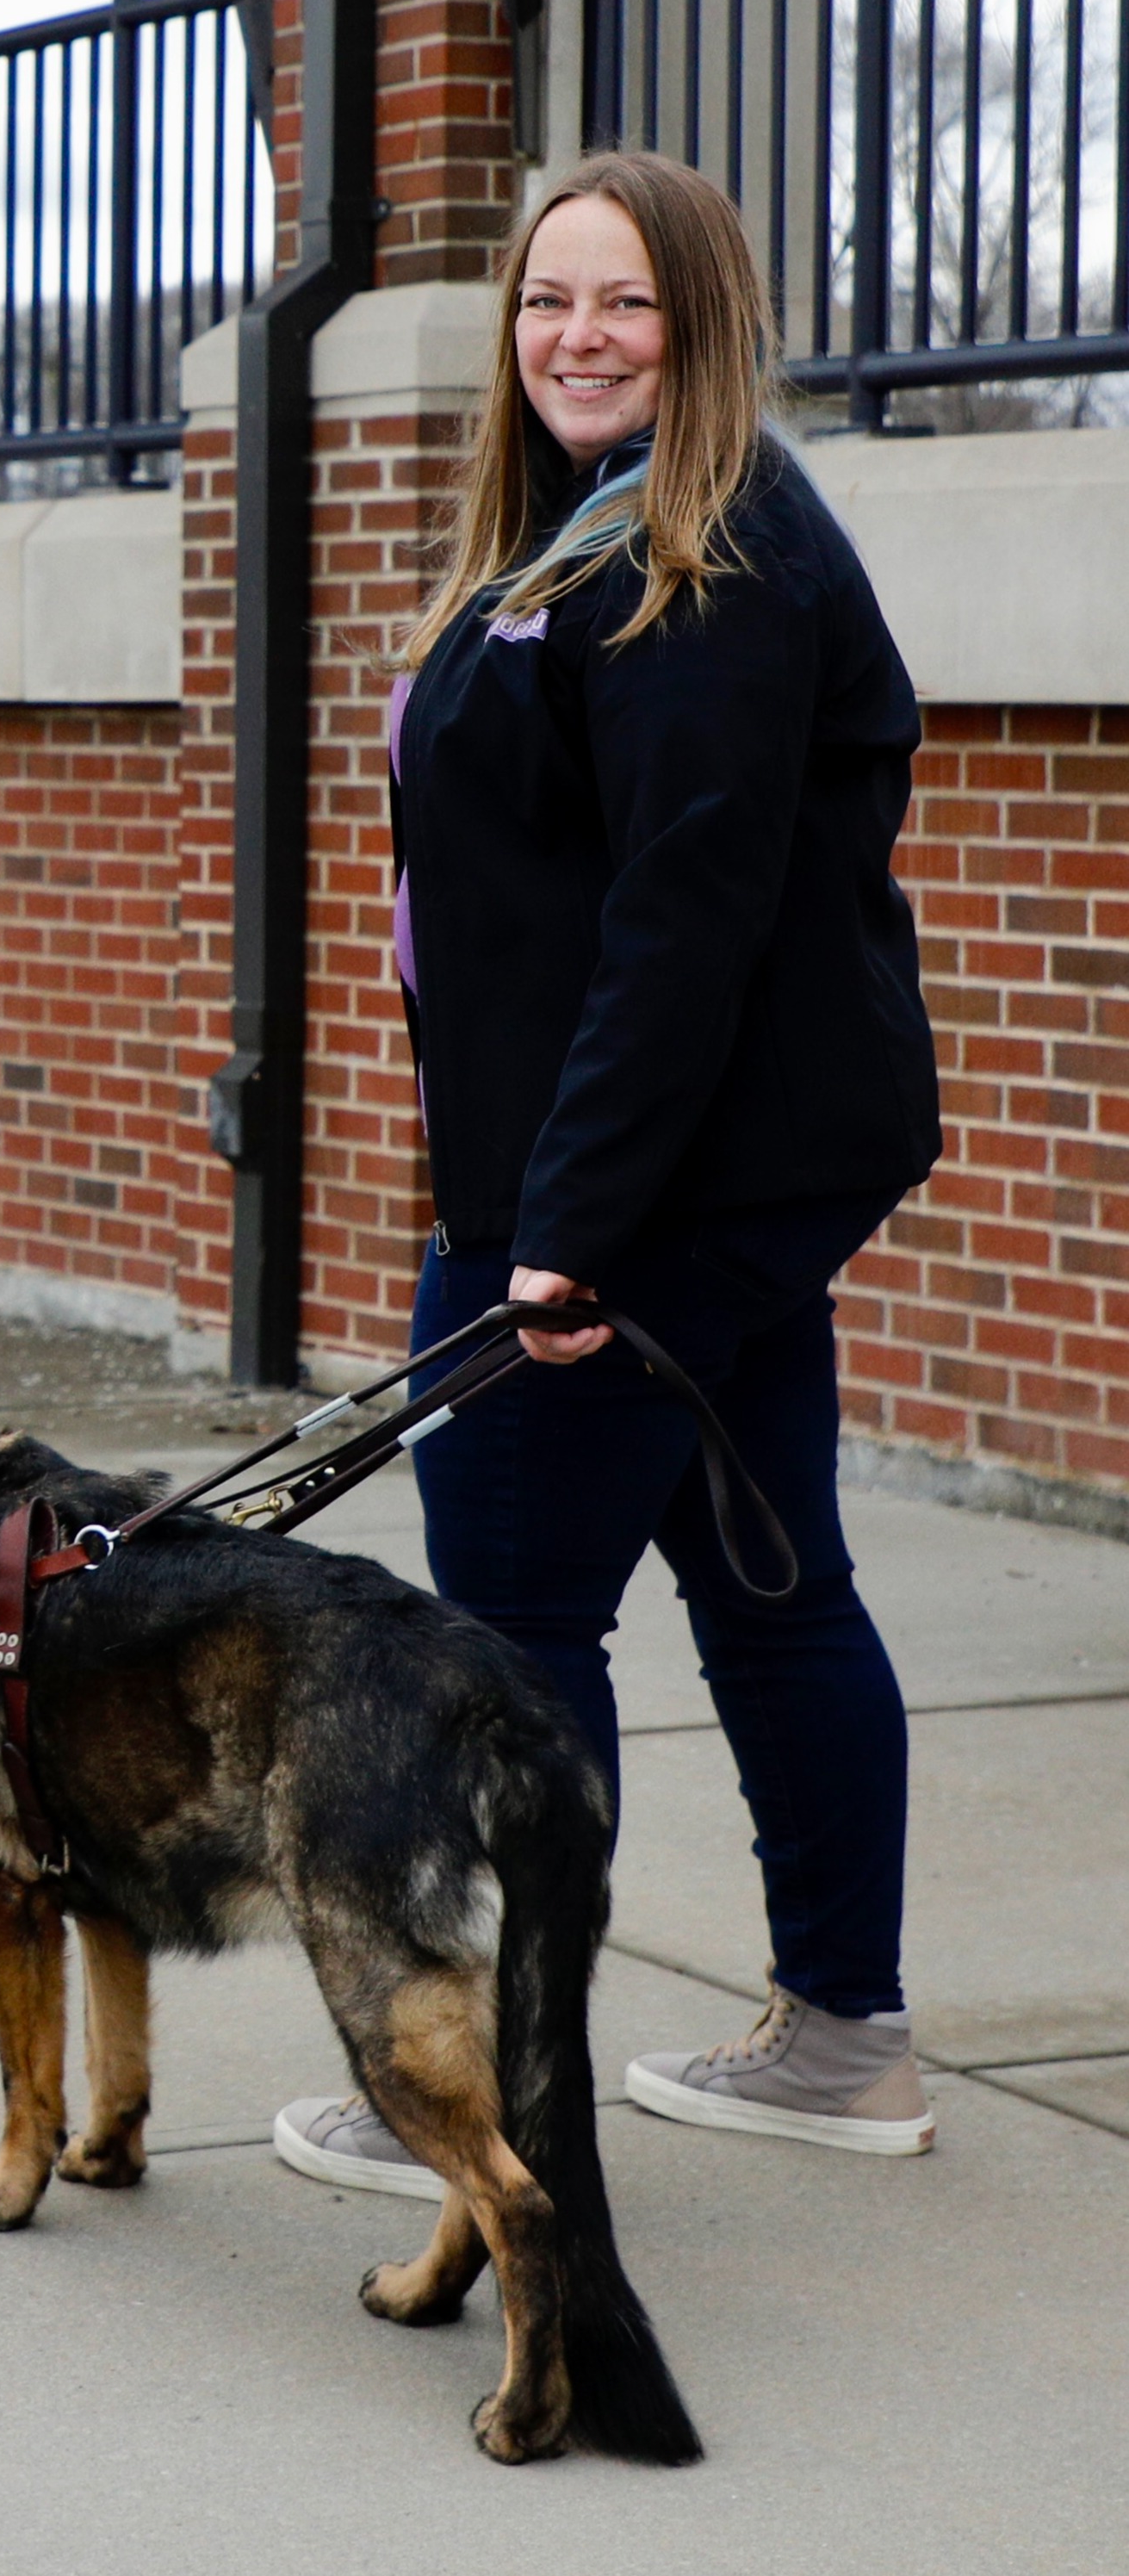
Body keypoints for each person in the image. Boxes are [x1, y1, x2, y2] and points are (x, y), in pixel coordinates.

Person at [274, 149, 942, 2199]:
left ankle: (497, 2101)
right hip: (687, 1191)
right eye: (547, 297)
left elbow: (686, 923)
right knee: (773, 1587)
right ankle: (839, 2035)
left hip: (622, 1205)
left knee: (506, 1632)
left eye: (626, 303)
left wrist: (555, 1234)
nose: (576, 334)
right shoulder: (604, 532)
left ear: (702, 324)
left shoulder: (708, 555)